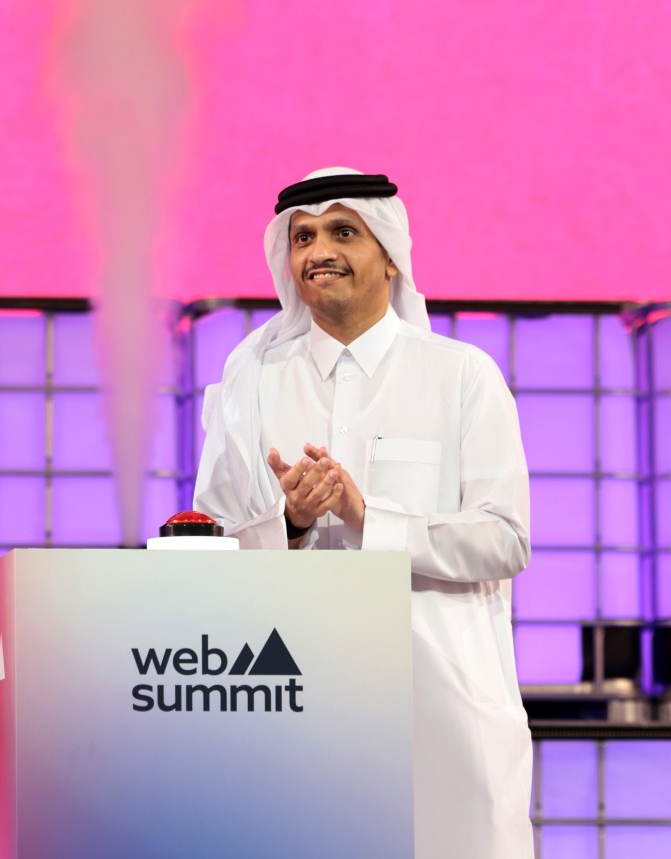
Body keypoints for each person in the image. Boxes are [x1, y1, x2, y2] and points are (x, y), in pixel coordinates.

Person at [194, 167, 533, 858]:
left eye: (342, 232)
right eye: (303, 236)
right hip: (293, 716)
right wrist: (285, 523)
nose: (319, 250)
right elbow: (207, 546)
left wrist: (365, 515)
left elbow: (504, 538)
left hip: (439, 714)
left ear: (389, 252)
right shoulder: (248, 383)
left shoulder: (461, 375)